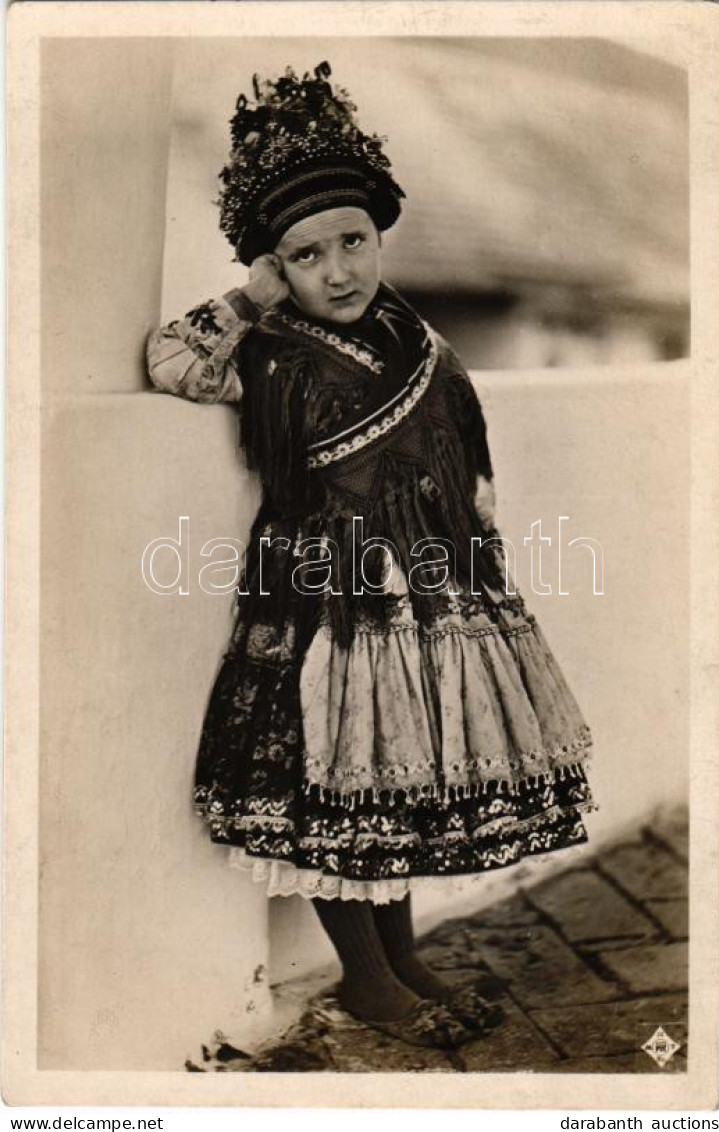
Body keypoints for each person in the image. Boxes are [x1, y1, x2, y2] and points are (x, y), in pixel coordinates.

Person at [147, 62, 596, 1049]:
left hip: (421, 600)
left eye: (353, 241)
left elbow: (465, 460)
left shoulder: (418, 340)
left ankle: (400, 964)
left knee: (391, 787)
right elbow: (171, 361)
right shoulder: (269, 350)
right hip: (319, 613)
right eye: (307, 256)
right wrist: (246, 297)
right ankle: (364, 978)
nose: (338, 270)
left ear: (379, 235)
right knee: (335, 792)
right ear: (279, 267)